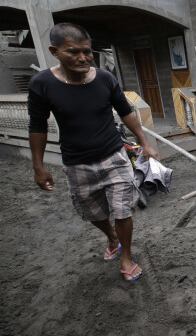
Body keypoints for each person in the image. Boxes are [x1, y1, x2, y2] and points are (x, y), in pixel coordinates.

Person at [28, 22, 158, 282]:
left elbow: (125, 111)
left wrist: (144, 141)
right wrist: (38, 166)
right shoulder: (42, 83)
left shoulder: (105, 78)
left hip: (114, 155)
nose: (83, 58)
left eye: (87, 51)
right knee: (93, 214)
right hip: (77, 162)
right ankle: (111, 238)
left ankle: (126, 256)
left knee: (123, 210)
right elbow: (37, 126)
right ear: (55, 51)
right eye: (73, 52)